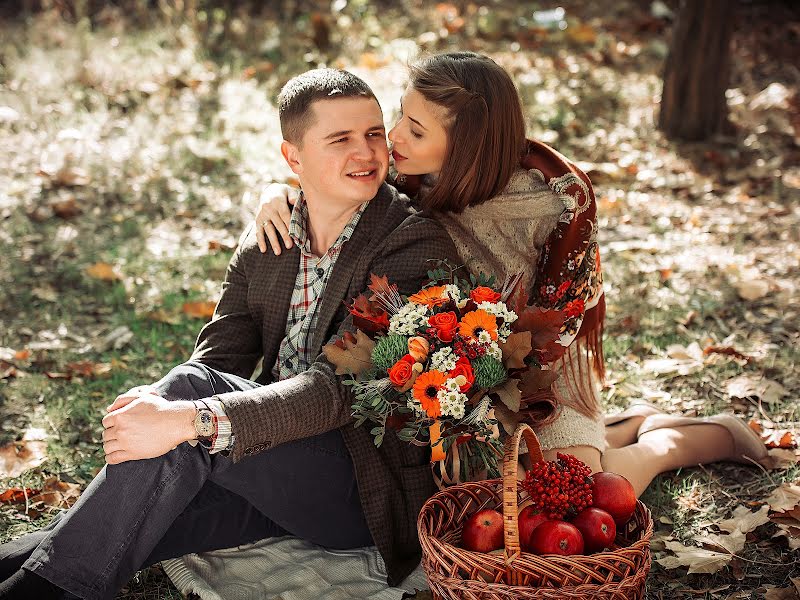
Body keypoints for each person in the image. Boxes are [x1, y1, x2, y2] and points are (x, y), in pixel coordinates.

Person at [0, 68, 461, 600]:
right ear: (293, 160)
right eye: (341, 139)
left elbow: (337, 390)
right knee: (123, 525)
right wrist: (162, 410)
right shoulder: (271, 234)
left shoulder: (411, 244)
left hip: (358, 486)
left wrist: (191, 417)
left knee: (185, 407)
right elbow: (222, 355)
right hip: (272, 461)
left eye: (374, 133)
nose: (366, 152)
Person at [252, 52, 769, 496]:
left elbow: (562, 320)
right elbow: (332, 178)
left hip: (541, 364)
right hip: (453, 363)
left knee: (570, 492)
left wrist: (508, 393)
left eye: (414, 129)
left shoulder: (554, 200)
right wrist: (281, 192)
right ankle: (622, 426)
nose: (390, 139)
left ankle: (686, 440)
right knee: (481, 493)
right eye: (399, 118)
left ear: (468, 144)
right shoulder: (408, 174)